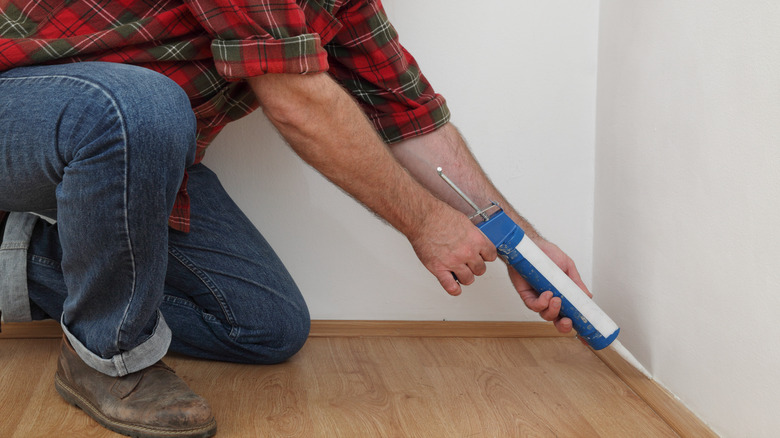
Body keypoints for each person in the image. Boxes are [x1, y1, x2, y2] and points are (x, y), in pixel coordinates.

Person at [0, 1, 591, 437]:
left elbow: (415, 122)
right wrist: (428, 225)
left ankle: (18, 255)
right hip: (26, 112)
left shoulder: (343, 6)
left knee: (264, 324)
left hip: (125, 157)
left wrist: (523, 246)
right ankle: (106, 360)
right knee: (140, 106)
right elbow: (296, 101)